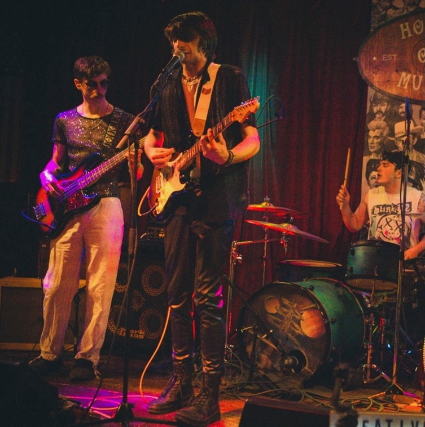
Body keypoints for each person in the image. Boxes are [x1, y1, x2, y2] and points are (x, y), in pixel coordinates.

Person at [143, 11, 260, 427]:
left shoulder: (229, 79)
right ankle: (181, 382)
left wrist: (227, 155)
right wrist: (150, 152)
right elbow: (151, 133)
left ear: (204, 45)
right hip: (175, 199)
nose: (180, 52)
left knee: (208, 298)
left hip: (216, 199)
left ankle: (210, 394)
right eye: (175, 45)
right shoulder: (165, 84)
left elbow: (252, 138)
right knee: (176, 293)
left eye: (187, 46)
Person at [28, 56, 144, 381]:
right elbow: (56, 162)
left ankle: (87, 358)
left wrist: (135, 164)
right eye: (92, 84)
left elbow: (136, 171)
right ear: (78, 84)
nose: (99, 90)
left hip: (106, 202)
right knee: (56, 283)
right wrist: (46, 176)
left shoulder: (125, 121)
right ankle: (50, 353)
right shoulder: (64, 119)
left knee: (100, 284)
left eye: (104, 83)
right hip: (67, 206)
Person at [336, 151, 425, 260]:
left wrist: (416, 250)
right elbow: (355, 225)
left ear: (398, 173)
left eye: (385, 165)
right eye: (379, 165)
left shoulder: (418, 197)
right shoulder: (371, 194)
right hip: (375, 262)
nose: (378, 168)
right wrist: (345, 206)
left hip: (404, 263)